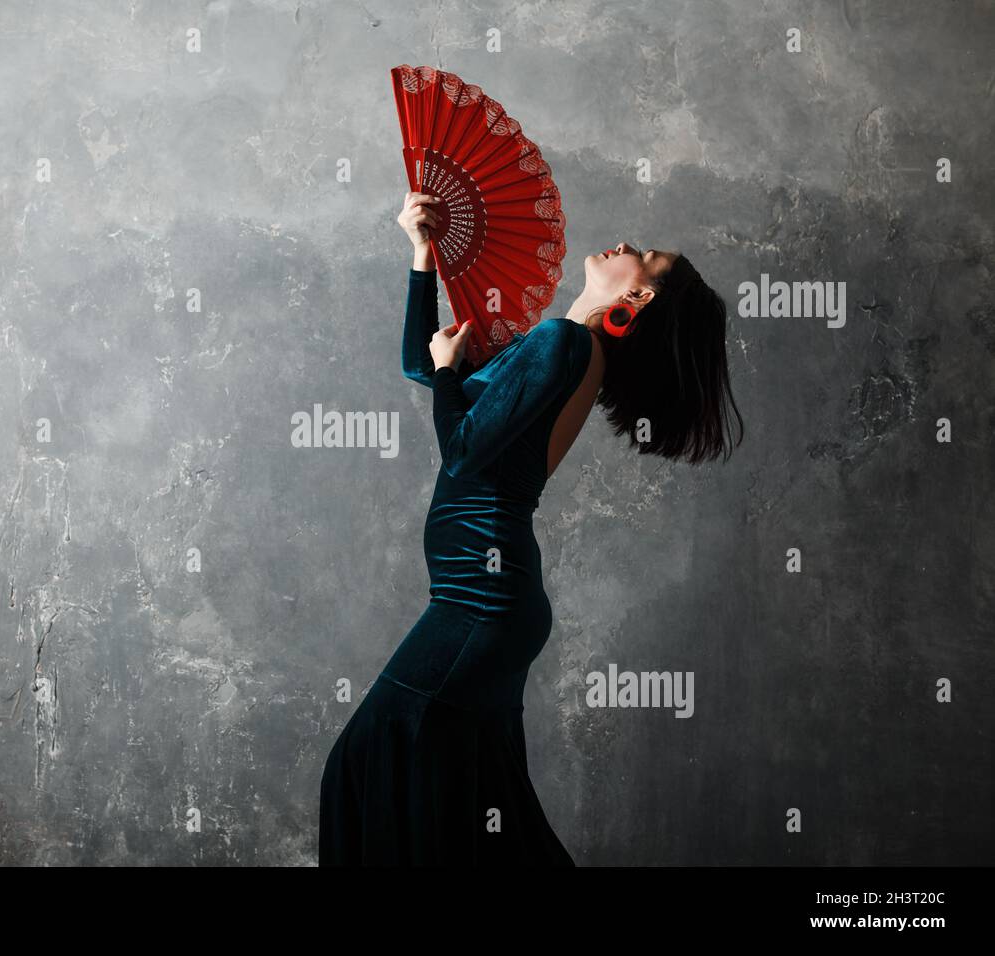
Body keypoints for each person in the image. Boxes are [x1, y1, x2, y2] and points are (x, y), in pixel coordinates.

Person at [317, 191, 744, 866]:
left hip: (480, 605)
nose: (628, 244)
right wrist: (422, 257)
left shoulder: (563, 343)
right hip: (490, 603)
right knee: (475, 807)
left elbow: (459, 448)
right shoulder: (552, 345)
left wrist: (447, 370)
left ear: (640, 303)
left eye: (647, 259)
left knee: (372, 763)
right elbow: (423, 370)